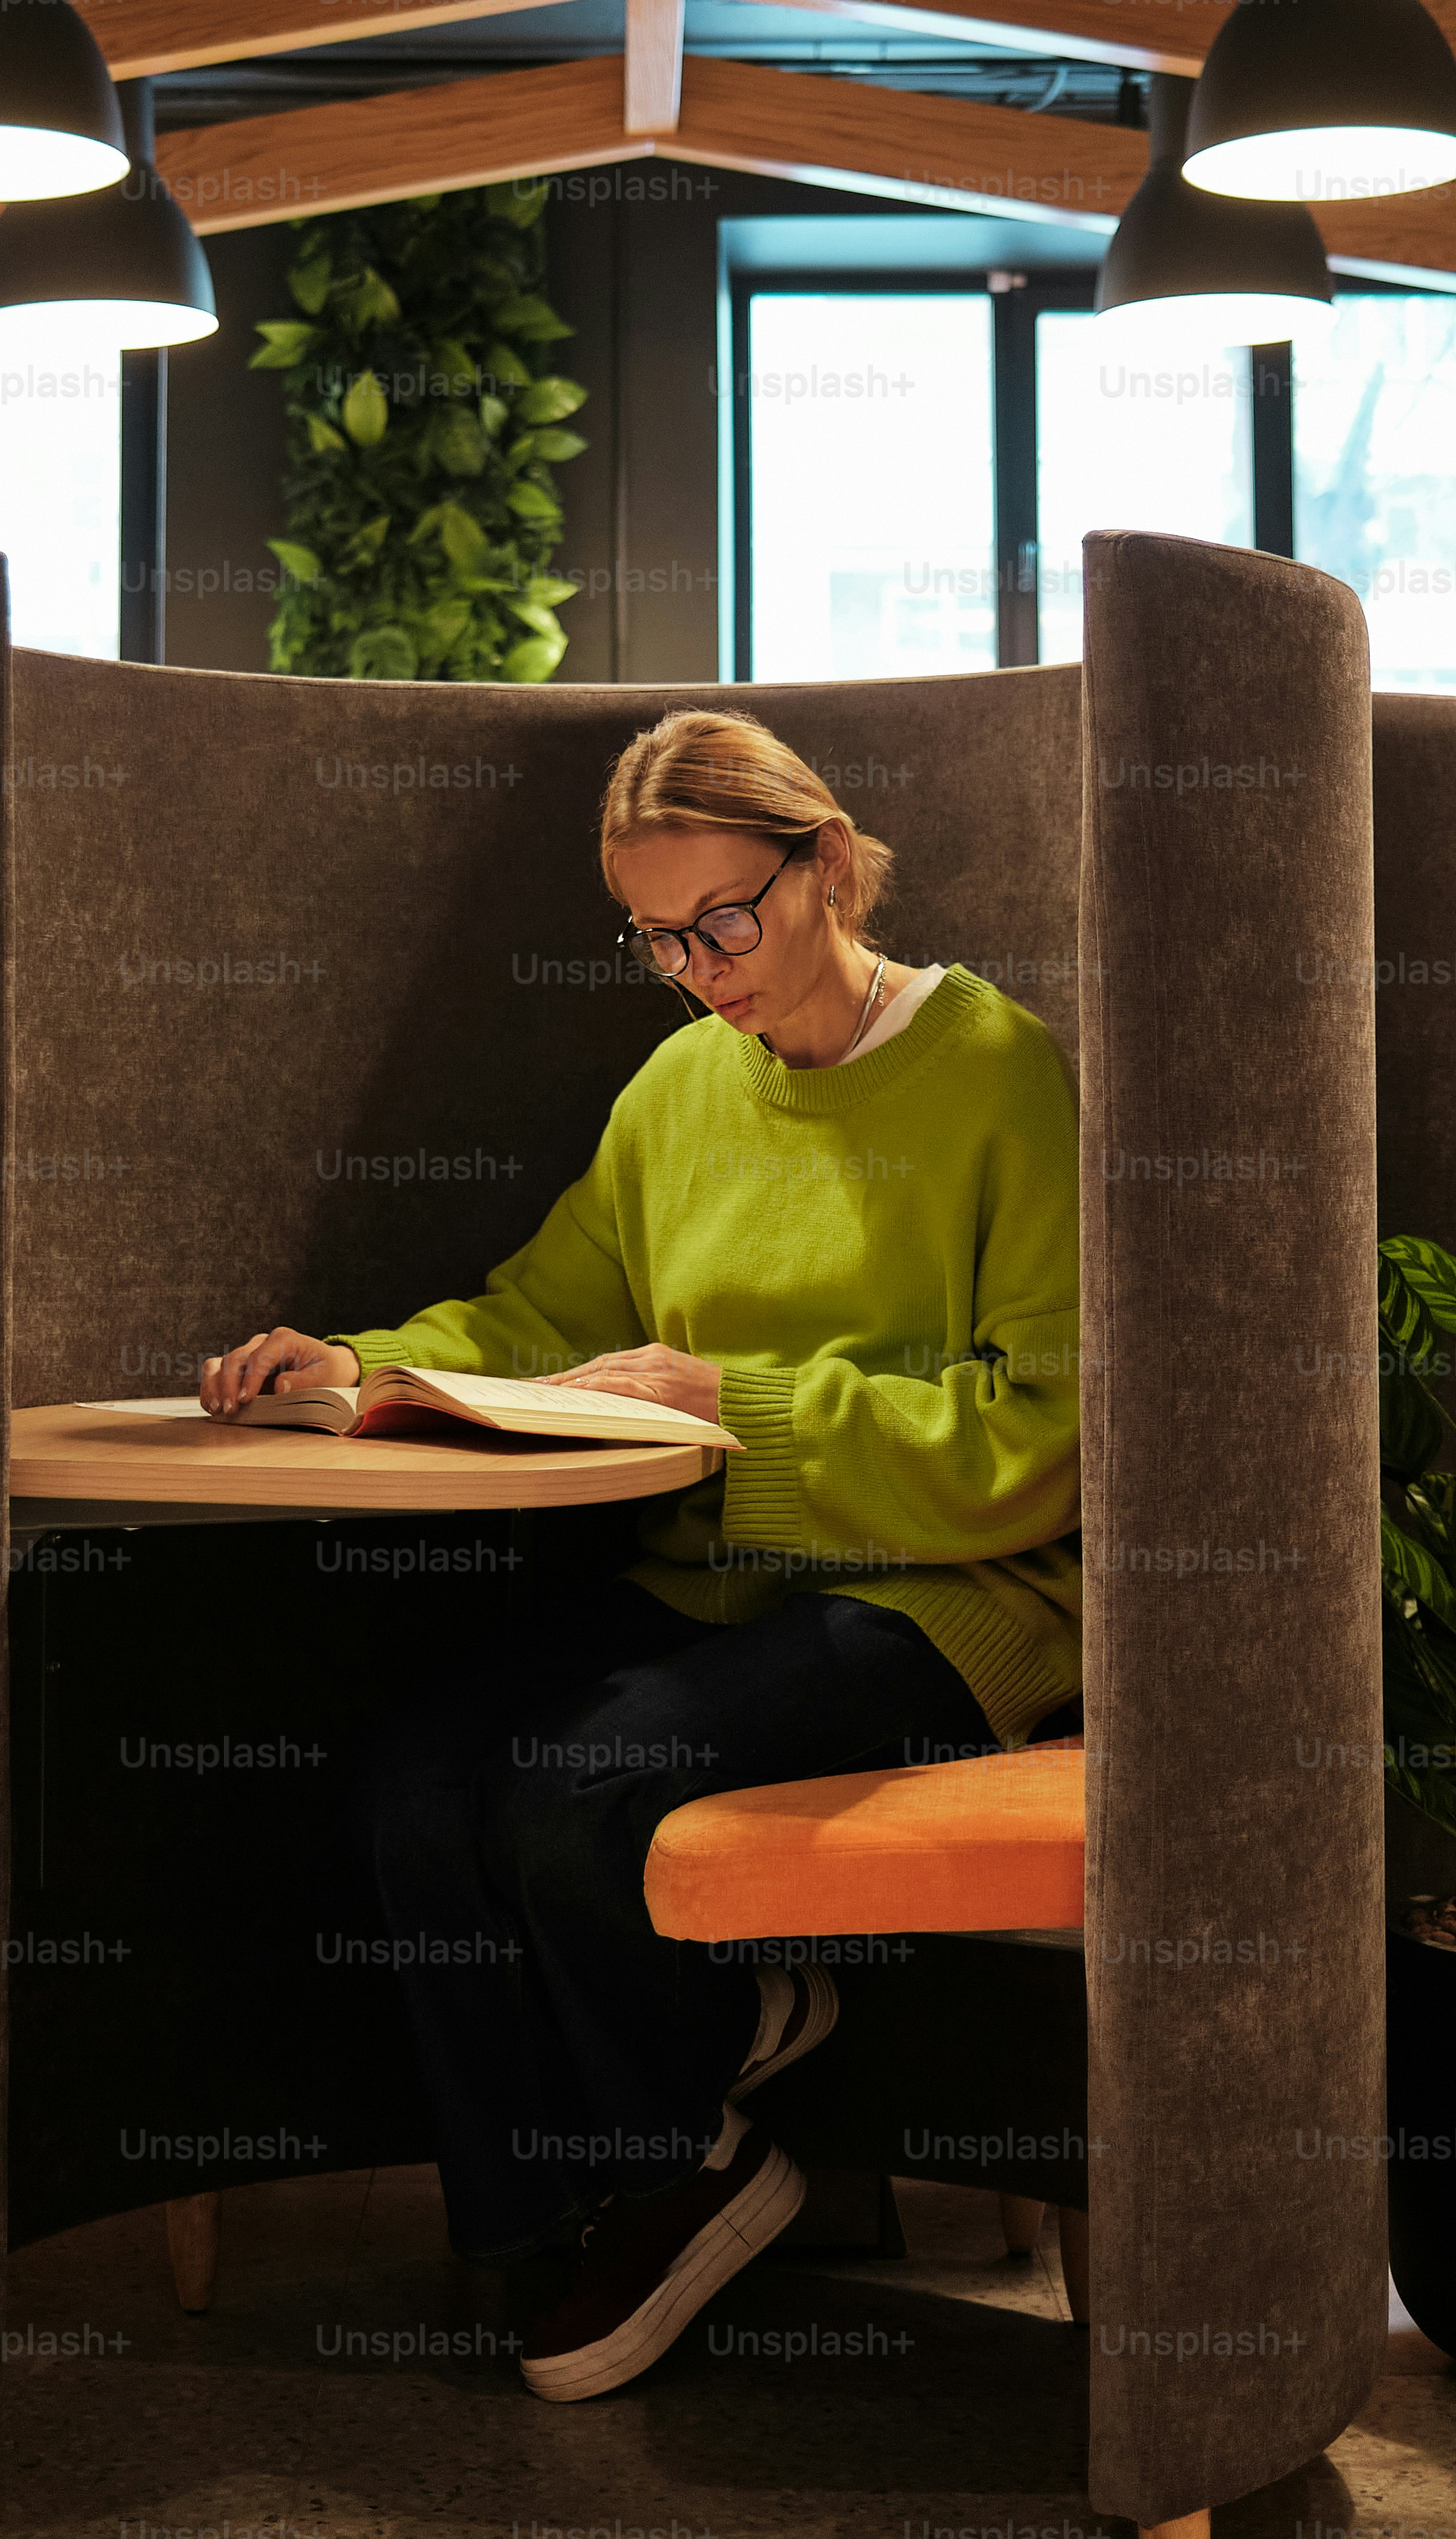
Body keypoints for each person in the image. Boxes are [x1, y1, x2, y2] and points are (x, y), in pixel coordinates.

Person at [198, 709, 1081, 2402]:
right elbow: (540, 1317)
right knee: (407, 1783)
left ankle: (696, 2128)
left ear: (826, 863)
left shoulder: (995, 1072)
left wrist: (732, 1400)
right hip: (712, 1582)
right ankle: (559, 2205)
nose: (697, 973)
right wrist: (365, 1365)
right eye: (657, 940)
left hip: (959, 1601)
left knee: (574, 1792)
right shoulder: (682, 1083)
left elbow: (1042, 1432)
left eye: (723, 923)